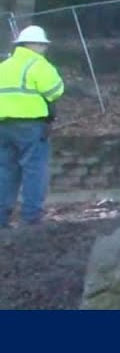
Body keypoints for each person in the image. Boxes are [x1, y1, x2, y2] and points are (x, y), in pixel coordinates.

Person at [0, 26, 64, 228]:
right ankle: (31, 218)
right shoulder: (39, 64)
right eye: (43, 45)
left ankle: (1, 218)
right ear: (35, 45)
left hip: (3, 126)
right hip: (30, 126)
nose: (44, 49)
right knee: (34, 170)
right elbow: (55, 91)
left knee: (5, 171)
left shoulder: (4, 66)